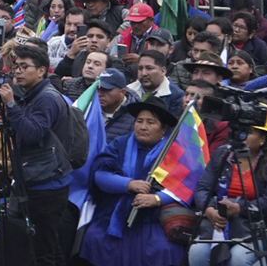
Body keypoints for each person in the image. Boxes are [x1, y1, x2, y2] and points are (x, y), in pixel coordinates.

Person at [79, 97, 187, 266]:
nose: (143, 127)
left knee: (163, 249)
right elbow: (100, 175)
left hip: (154, 219)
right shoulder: (120, 144)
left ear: (163, 129)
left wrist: (156, 199)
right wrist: (128, 184)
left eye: (150, 122)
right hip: (116, 214)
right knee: (94, 238)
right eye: (139, 121)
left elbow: (186, 187)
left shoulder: (174, 152)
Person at [0, 44, 75, 266]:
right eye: (16, 66)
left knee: (45, 248)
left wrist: (11, 105)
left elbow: (32, 133)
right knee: (38, 245)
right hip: (34, 179)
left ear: (42, 70)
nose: (17, 71)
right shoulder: (33, 95)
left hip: (47, 186)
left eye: (24, 66)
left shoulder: (47, 98)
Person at [188, 108, 267, 266]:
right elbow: (202, 189)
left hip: (254, 228)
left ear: (263, 138)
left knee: (238, 259)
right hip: (217, 222)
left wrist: (239, 208)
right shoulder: (222, 153)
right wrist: (209, 210)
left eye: (248, 131)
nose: (241, 135)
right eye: (239, 130)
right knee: (197, 252)